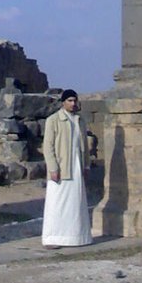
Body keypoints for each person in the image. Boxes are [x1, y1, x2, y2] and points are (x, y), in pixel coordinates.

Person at [41, 88, 92, 249]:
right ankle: (52, 238)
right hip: (61, 167)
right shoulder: (53, 120)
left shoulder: (79, 120)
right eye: (69, 100)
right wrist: (53, 168)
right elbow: (48, 146)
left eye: (74, 100)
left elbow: (83, 144)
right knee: (57, 203)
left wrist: (86, 165)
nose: (73, 103)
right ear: (63, 102)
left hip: (76, 166)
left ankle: (76, 237)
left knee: (75, 203)